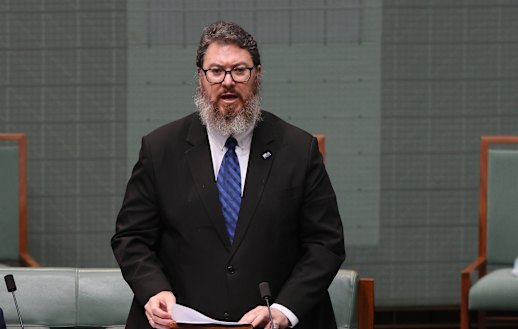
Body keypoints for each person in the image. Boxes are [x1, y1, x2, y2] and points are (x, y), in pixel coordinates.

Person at [111, 20, 345, 329]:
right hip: (182, 322)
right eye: (216, 71)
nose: (228, 82)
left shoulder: (298, 149)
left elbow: (325, 244)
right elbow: (132, 237)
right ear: (201, 77)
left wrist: (284, 310)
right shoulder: (160, 148)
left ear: (257, 75)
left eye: (239, 70)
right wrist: (154, 291)